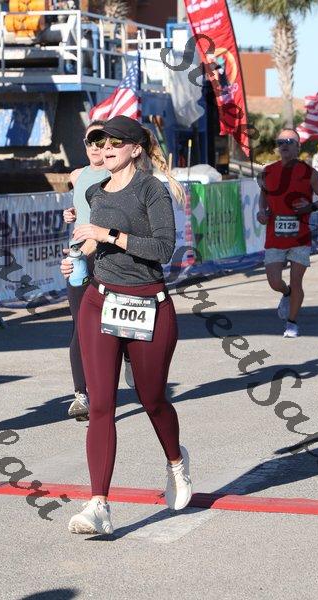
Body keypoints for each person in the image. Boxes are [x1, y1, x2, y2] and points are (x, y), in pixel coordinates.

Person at [60, 115, 192, 535]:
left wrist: (110, 234)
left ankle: (176, 461)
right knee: (101, 405)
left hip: (148, 303)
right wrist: (76, 259)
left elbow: (164, 248)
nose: (107, 148)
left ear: (136, 149)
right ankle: (98, 504)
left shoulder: (151, 189)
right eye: (102, 142)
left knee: (151, 399)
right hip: (100, 302)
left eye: (116, 142)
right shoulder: (96, 191)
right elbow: (92, 242)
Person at [64, 120, 134, 422]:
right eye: (90, 141)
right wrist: (71, 214)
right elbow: (81, 208)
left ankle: (130, 354)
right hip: (80, 256)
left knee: (115, 321)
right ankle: (81, 394)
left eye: (101, 140)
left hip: (111, 254)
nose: (96, 147)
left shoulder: (118, 173)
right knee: (81, 325)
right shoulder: (76, 175)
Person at [257, 128, 318, 338]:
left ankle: (292, 323)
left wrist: (310, 207)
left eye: (289, 141)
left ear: (298, 146)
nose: (284, 145)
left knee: (297, 280)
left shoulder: (309, 173)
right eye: (280, 142)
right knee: (274, 281)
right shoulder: (268, 172)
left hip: (300, 238)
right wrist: (262, 212)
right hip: (274, 237)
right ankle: (286, 293)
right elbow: (264, 195)